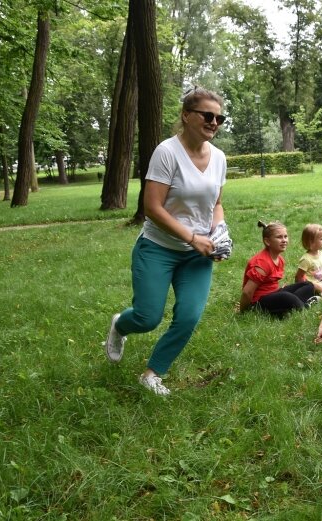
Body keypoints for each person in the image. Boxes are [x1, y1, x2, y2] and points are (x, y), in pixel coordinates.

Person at [104, 86, 228, 397]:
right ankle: (121, 325)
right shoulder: (167, 152)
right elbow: (152, 207)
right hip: (158, 248)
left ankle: (152, 373)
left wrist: (219, 231)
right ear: (187, 116)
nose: (214, 122)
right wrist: (192, 238)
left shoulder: (219, 158)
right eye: (208, 115)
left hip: (197, 255)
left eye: (220, 118)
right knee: (147, 318)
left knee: (188, 316)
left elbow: (215, 203)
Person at [240, 221, 316, 317]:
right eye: (279, 237)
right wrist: (242, 312)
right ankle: (303, 307)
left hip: (274, 294)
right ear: (267, 241)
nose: (284, 240)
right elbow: (247, 292)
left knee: (308, 285)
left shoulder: (280, 259)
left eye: (285, 236)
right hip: (259, 302)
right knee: (286, 297)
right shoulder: (262, 263)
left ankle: (291, 307)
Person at [295, 223, 322, 295]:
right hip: (312, 286)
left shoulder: (321, 254)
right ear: (311, 243)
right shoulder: (306, 259)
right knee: (314, 285)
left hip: (321, 282)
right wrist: (303, 289)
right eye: (321, 239)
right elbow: (298, 276)